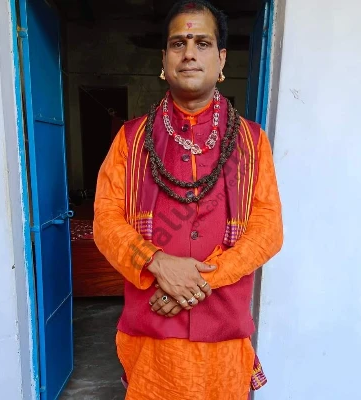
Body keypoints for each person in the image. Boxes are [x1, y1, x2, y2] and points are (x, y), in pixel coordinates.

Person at [93, 1, 283, 399]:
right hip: (151, 331)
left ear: (221, 58)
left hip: (223, 334)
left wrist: (198, 281)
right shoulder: (130, 139)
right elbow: (106, 221)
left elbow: (268, 230)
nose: (190, 53)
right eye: (178, 43)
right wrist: (157, 262)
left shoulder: (252, 141)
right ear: (164, 60)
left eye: (202, 43)